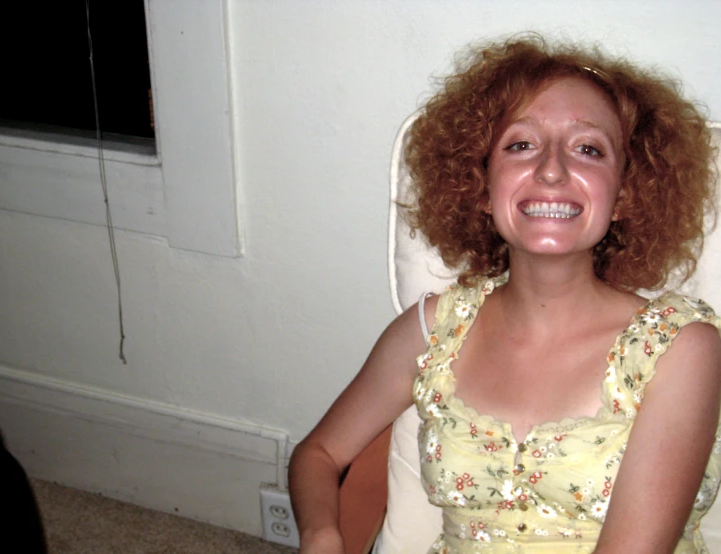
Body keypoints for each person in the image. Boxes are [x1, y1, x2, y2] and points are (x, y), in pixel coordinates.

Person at [289, 35, 721, 554]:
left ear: (626, 193)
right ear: (482, 182)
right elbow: (317, 453)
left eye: (588, 149)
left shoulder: (679, 349)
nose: (552, 169)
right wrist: (322, 534)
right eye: (521, 145)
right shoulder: (435, 331)